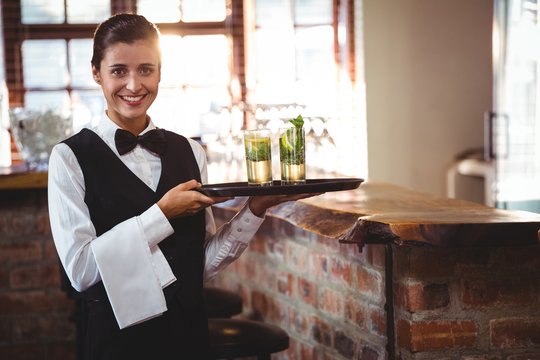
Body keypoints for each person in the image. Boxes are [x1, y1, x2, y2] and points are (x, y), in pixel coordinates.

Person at [48, 13, 317, 360]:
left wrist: (255, 210)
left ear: (160, 72)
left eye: (146, 69)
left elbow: (199, 265)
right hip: (118, 345)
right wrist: (160, 215)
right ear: (96, 73)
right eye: (119, 71)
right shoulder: (68, 158)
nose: (134, 85)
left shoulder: (191, 151)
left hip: (190, 337)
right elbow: (82, 271)